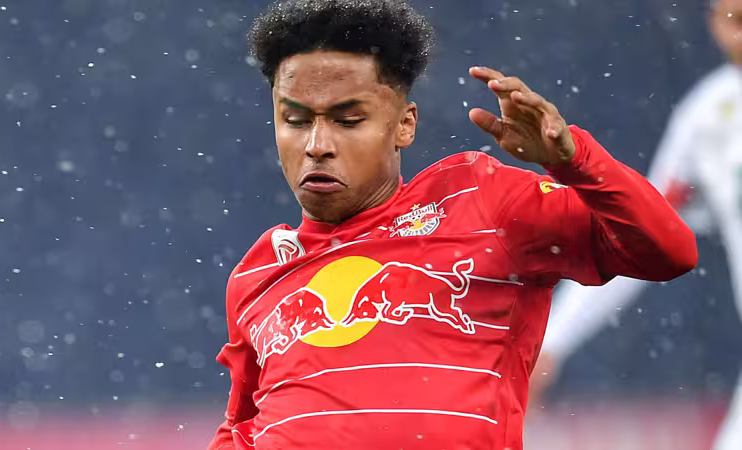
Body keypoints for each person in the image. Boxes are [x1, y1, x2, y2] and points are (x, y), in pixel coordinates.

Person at [209, 1, 697, 449]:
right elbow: (240, 427)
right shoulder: (258, 272)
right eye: (295, 121)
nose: (317, 145)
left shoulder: (481, 200)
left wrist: (576, 162)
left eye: (348, 120)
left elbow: (668, 252)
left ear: (404, 125)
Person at [533, 0, 742, 448]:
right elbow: (640, 237)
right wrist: (551, 342)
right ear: (713, 22)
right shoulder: (709, 119)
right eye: (737, 20)